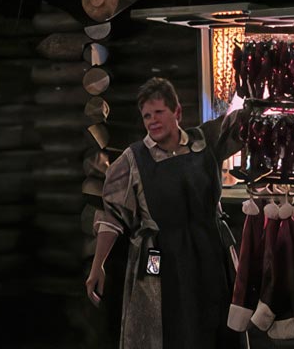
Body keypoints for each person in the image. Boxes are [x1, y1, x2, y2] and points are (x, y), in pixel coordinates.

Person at [85, 77, 241, 348]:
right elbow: (112, 217)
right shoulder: (133, 161)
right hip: (157, 254)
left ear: (177, 112)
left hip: (210, 250)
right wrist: (97, 265)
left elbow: (242, 123)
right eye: (147, 116)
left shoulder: (205, 142)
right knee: (166, 323)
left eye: (159, 112)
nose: (152, 120)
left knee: (217, 324)